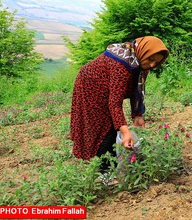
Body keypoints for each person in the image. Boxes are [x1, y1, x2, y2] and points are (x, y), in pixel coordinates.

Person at [69, 36, 169, 173]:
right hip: (90, 85)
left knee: (112, 125)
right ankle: (104, 173)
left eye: (156, 62)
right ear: (144, 52)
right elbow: (114, 103)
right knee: (105, 128)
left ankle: (109, 169)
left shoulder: (140, 63)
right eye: (150, 59)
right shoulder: (121, 65)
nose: (152, 65)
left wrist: (137, 114)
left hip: (106, 88)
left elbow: (136, 89)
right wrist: (125, 130)